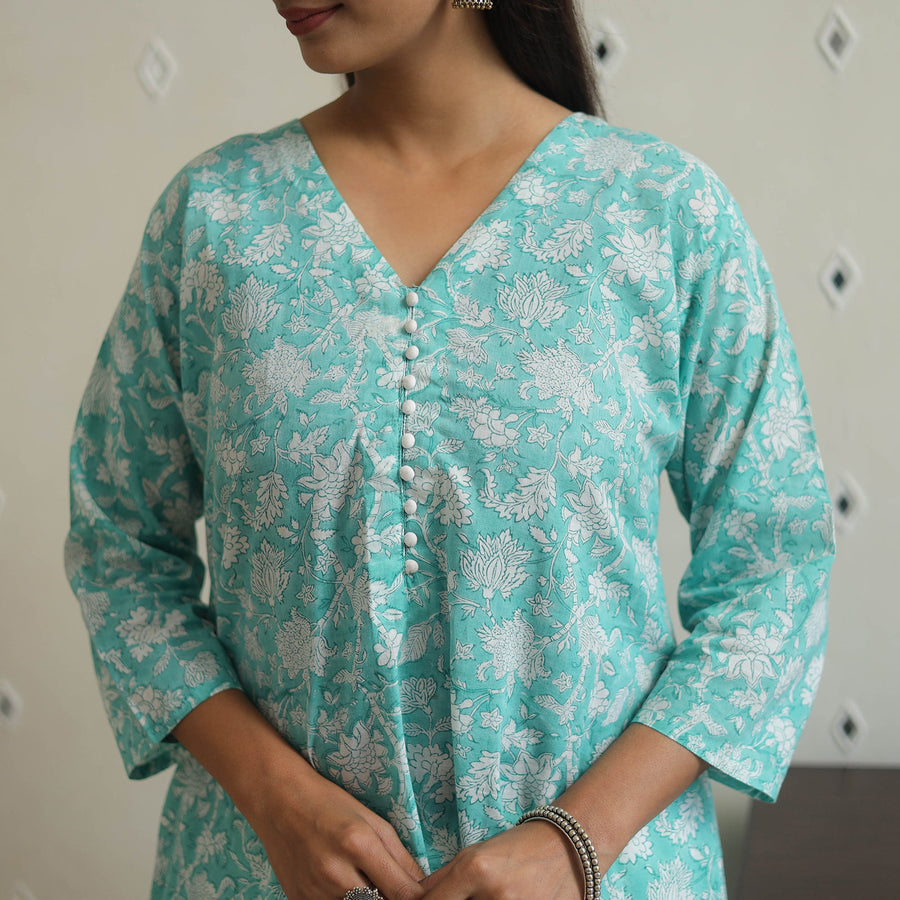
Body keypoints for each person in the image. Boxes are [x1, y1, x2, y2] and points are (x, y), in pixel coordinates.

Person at [64, 1, 835, 898]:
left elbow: (773, 568)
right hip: (255, 872)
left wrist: (574, 844)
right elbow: (118, 545)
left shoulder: (662, 214)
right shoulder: (216, 219)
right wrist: (273, 797)